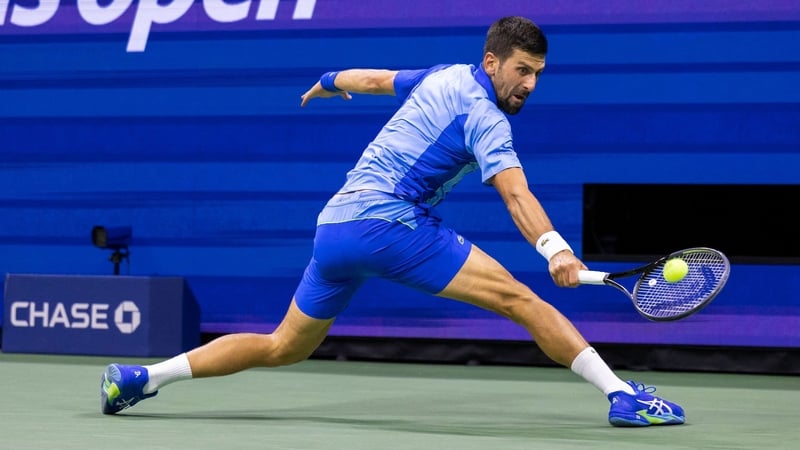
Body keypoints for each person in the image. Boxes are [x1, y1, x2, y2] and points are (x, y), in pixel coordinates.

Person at [100, 16, 684, 427]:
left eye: (538, 74)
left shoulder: (442, 75)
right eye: (522, 71)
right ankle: (623, 396)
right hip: (389, 224)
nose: (530, 85)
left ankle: (141, 378)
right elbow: (516, 194)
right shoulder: (488, 118)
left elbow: (375, 80)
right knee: (523, 302)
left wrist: (329, 81)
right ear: (492, 62)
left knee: (283, 345)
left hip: (335, 229)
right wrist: (556, 250)